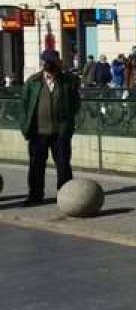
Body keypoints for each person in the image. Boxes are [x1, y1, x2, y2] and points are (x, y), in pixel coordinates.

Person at [19, 50, 82, 206]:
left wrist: (68, 122)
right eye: (50, 63)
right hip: (38, 132)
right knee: (36, 165)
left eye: (55, 63)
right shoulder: (32, 82)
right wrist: (25, 127)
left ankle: (66, 195)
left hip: (60, 132)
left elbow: (75, 103)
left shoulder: (68, 81)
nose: (53, 66)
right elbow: (24, 107)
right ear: (44, 64)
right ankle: (35, 195)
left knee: (63, 164)